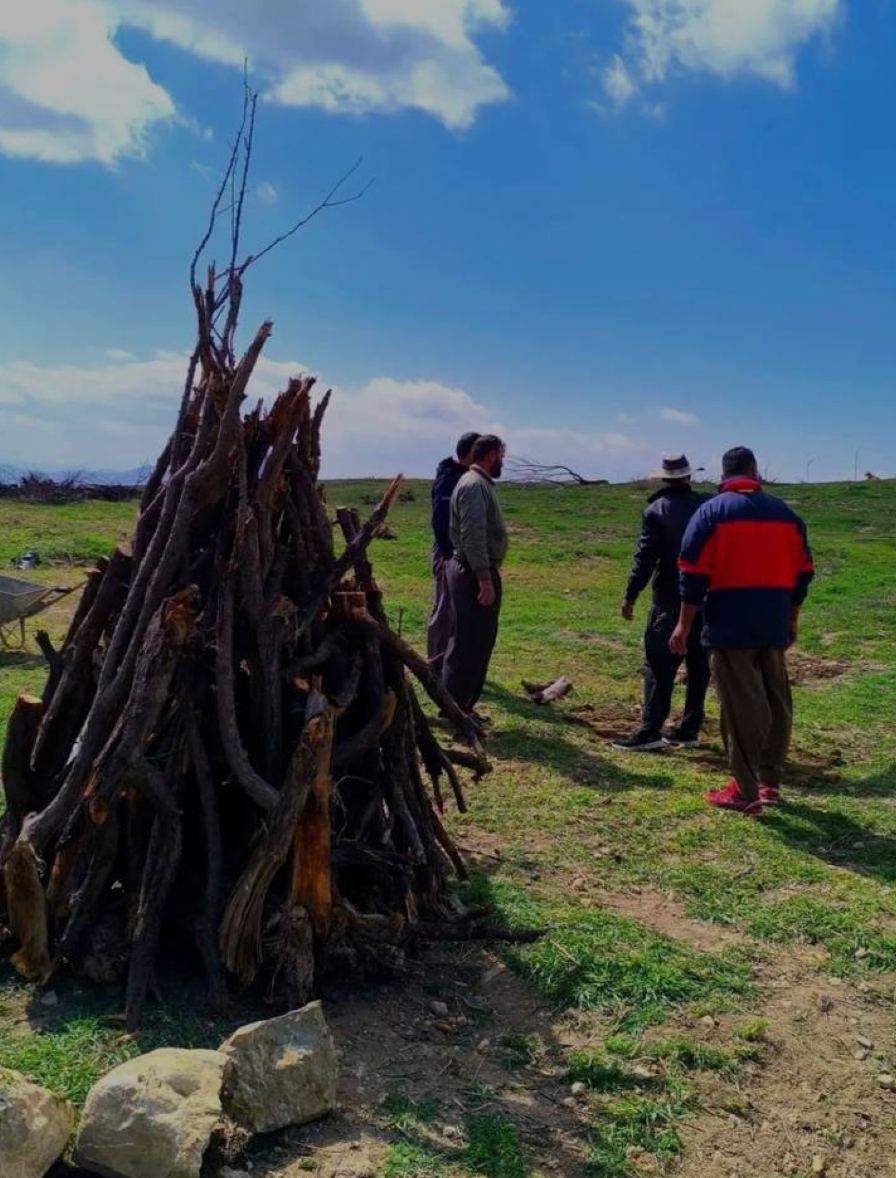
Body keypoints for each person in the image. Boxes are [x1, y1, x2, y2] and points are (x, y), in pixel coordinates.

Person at [671, 446, 814, 814]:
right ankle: (769, 781)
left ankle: (744, 789)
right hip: (774, 620)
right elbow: (803, 572)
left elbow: (692, 575)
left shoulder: (711, 513)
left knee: (740, 705)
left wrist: (683, 626)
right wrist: (792, 617)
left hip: (730, 623)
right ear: (754, 470)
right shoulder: (786, 514)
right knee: (776, 698)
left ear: (724, 474)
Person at [613, 453, 711, 752]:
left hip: (669, 598)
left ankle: (651, 729)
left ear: (663, 479)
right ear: (688, 477)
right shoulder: (707, 506)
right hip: (707, 597)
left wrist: (631, 595)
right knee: (699, 664)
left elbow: (645, 558)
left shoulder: (656, 511)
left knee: (658, 664)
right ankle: (689, 727)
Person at [442, 435, 508, 718]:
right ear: (492, 454)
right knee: (469, 642)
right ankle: (453, 711)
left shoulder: (478, 484)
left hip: (474, 570)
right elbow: (472, 535)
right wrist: (484, 577)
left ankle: (463, 707)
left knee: (479, 641)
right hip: (472, 573)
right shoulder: (473, 486)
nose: (502, 461)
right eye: (502, 456)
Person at [427, 432, 481, 671]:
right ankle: (436, 664)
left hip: (461, 552)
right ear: (470, 453)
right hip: (449, 552)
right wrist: (448, 553)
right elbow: (440, 519)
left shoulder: (465, 476)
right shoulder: (449, 478)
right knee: (444, 608)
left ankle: (451, 661)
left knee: (458, 609)